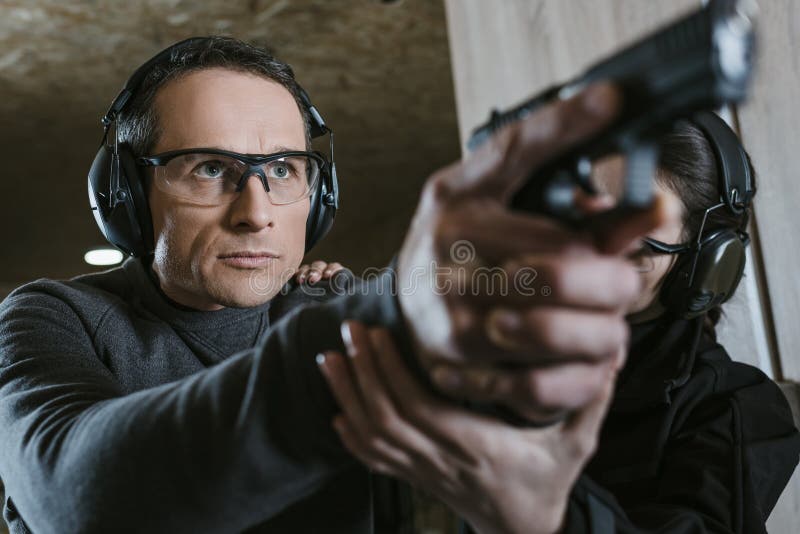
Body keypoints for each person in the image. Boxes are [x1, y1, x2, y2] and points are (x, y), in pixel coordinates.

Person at [0, 36, 671, 533]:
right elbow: (77, 498)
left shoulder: (335, 304)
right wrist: (395, 320)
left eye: (284, 170)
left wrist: (540, 522)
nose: (256, 210)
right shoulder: (51, 316)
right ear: (124, 194)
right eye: (208, 168)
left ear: (316, 196)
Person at [318, 115, 800, 533]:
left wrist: (552, 520)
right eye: (581, 221)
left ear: (705, 266)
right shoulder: (498, 342)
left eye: (635, 244)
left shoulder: (731, 411)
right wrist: (346, 307)